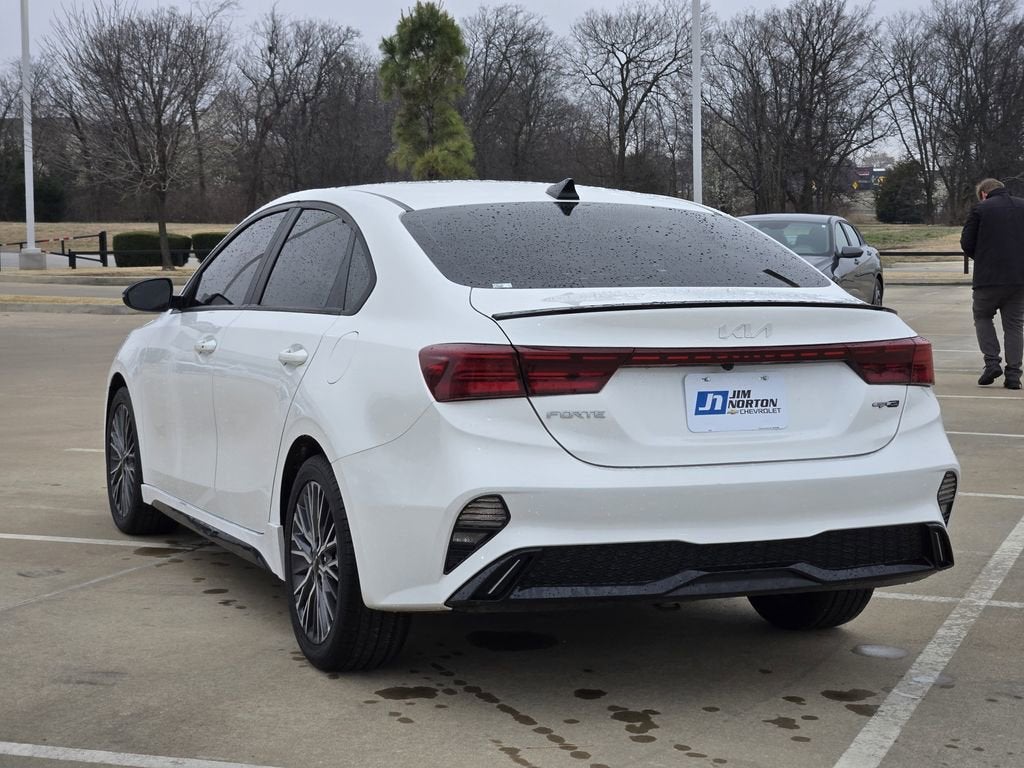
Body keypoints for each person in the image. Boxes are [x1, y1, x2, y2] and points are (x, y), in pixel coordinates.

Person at [960, 178, 1024, 390]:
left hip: (987, 279)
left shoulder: (980, 209)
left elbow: (967, 242)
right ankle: (1014, 374)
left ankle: (992, 362)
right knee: (1014, 325)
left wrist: (983, 258)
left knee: (983, 316)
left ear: (984, 194)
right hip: (1018, 279)